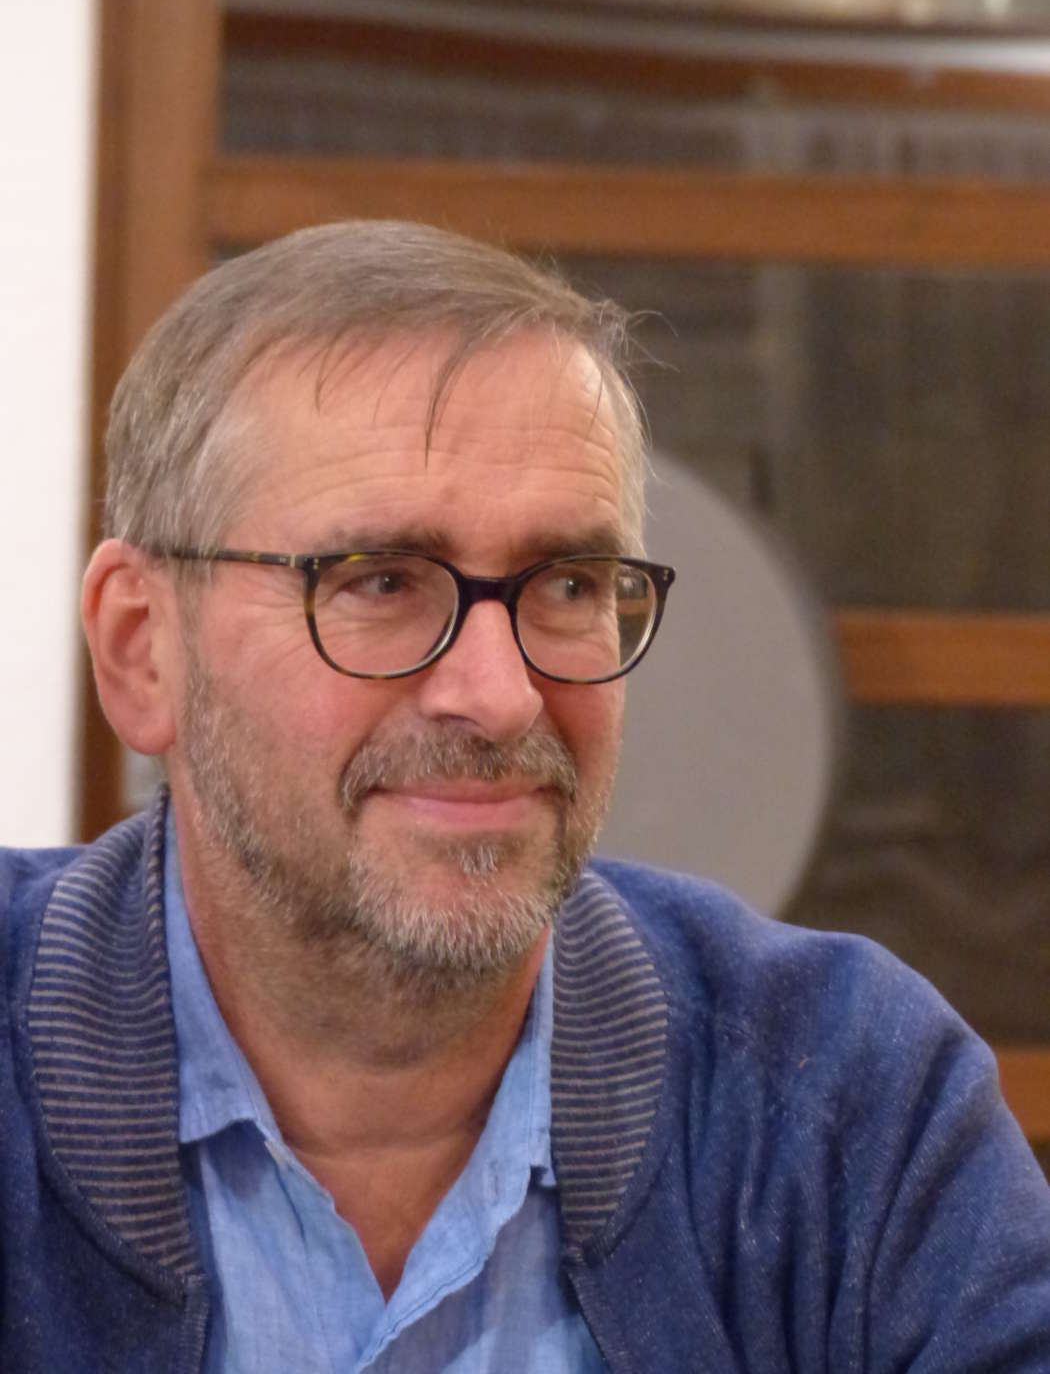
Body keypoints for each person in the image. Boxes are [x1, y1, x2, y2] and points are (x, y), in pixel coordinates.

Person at [2, 221, 1048, 1374]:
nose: (501, 697)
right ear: (142, 647)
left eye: (568, 584)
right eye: (381, 582)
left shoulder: (840, 1101)